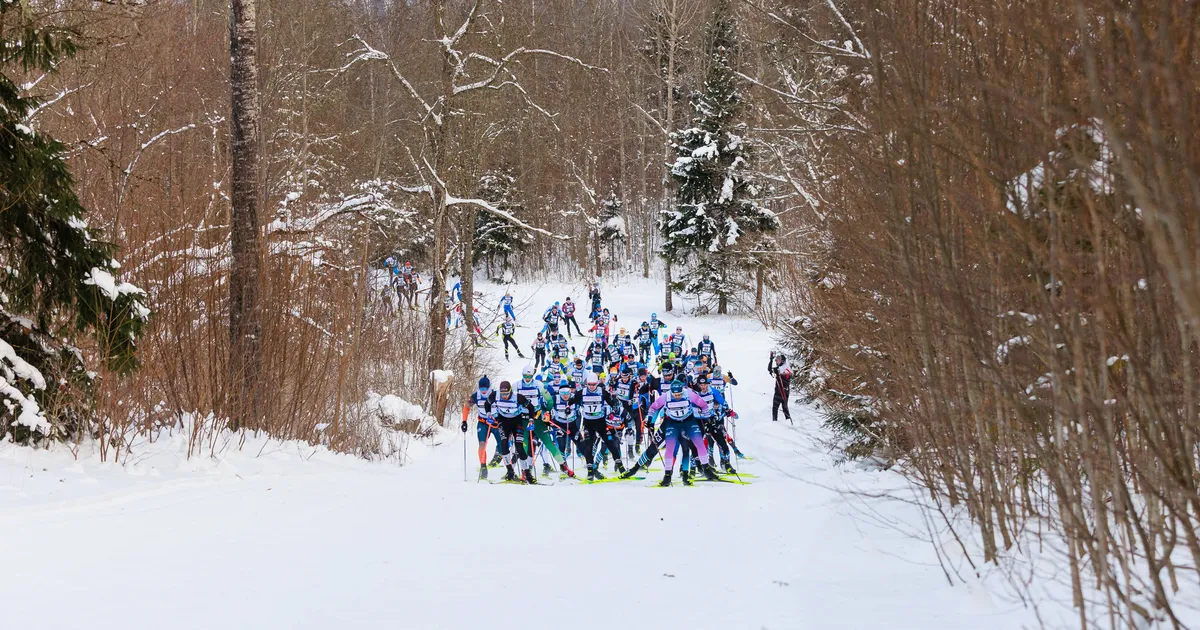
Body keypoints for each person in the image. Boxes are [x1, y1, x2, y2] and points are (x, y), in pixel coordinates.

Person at [641, 380, 721, 486]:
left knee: (698, 445)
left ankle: (704, 470)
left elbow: (704, 405)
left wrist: (707, 420)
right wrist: (651, 420)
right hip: (673, 423)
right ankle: (668, 475)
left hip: (690, 422)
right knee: (671, 449)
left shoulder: (689, 393)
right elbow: (654, 407)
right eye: (675, 395)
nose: (678, 396)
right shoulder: (667, 395)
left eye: (679, 394)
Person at [483, 380, 538, 483]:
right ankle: (510, 472)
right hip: (503, 421)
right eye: (502, 394)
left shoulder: (518, 397)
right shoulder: (495, 395)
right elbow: (487, 404)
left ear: (511, 391)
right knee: (504, 445)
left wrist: (531, 420)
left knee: (519, 446)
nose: (504, 396)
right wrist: (489, 415)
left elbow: (531, 407)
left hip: (516, 421)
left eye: (506, 394)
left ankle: (527, 474)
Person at [575, 373, 624, 479]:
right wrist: (568, 408)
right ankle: (590, 472)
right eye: (589, 384)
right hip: (588, 424)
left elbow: (612, 403)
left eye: (593, 384)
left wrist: (615, 405)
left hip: (601, 423)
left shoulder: (602, 392)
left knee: (610, 444)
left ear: (597, 384)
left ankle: (621, 468)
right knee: (589, 447)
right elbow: (572, 401)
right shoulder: (582, 392)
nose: (591, 387)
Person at [692, 374, 737, 474]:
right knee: (697, 445)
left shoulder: (712, 390)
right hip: (698, 421)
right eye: (701, 385)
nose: (703, 387)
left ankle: (726, 465)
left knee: (722, 442)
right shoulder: (695, 393)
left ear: (708, 384)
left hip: (710, 420)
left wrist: (727, 409)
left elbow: (722, 401)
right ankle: (694, 468)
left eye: (705, 385)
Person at [462, 376, 503, 479]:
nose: (483, 391)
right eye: (481, 388)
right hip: (483, 423)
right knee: (482, 444)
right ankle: (483, 467)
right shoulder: (476, 396)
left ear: (489, 387)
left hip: (495, 423)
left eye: (485, 388)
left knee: (503, 444)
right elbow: (466, 407)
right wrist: (464, 421)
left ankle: (499, 455)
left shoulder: (495, 395)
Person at [768, 351, 793, 423]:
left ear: (782, 361)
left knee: (776, 407)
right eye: (776, 360)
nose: (777, 362)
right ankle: (787, 421)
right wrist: (771, 360)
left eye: (778, 360)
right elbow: (770, 369)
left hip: (782, 390)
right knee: (784, 407)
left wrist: (779, 373)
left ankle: (775, 422)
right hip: (782, 390)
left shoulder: (784, 368)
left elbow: (785, 377)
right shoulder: (781, 367)